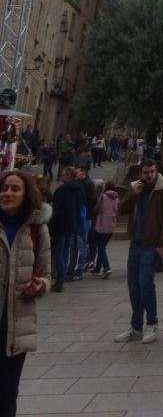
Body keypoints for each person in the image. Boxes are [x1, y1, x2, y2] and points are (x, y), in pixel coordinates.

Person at [0, 169, 51, 417]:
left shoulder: (36, 229)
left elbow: (47, 274)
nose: (8, 193)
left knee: (7, 396)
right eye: (4, 188)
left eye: (15, 189)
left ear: (26, 194)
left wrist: (40, 285)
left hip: (15, 329)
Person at [115, 157, 163, 344]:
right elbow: (121, 209)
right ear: (140, 173)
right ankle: (136, 327)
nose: (149, 175)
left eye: (152, 171)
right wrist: (133, 194)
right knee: (133, 285)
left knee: (145, 284)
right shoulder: (136, 188)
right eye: (145, 172)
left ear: (156, 171)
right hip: (136, 243)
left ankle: (152, 323)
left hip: (152, 244)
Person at [48, 165, 82, 292]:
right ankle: (62, 276)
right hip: (71, 224)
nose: (61, 176)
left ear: (68, 175)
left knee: (58, 253)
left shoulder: (62, 191)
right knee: (65, 251)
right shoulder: (79, 189)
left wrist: (51, 227)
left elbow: (56, 211)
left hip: (60, 226)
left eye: (63, 174)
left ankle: (60, 281)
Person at [92, 180, 119, 277]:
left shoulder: (103, 196)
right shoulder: (116, 198)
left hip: (101, 225)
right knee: (102, 247)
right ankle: (98, 267)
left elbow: (96, 208)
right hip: (111, 226)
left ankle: (107, 267)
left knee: (101, 247)